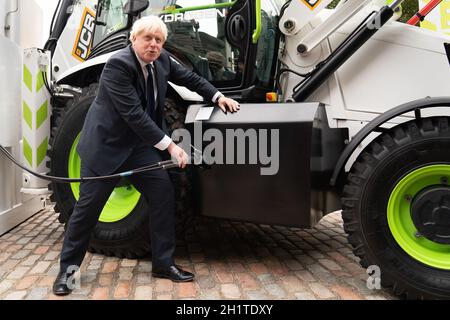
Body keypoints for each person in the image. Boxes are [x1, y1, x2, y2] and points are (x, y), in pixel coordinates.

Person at [52, 15, 240, 296]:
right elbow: (134, 115)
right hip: (106, 148)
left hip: (137, 147)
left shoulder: (161, 60)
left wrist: (217, 97)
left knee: (162, 192)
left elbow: (189, 78)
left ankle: (163, 263)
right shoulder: (118, 65)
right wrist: (172, 146)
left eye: (159, 40)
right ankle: (68, 272)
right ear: (134, 39)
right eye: (148, 39)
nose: (154, 45)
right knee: (87, 211)